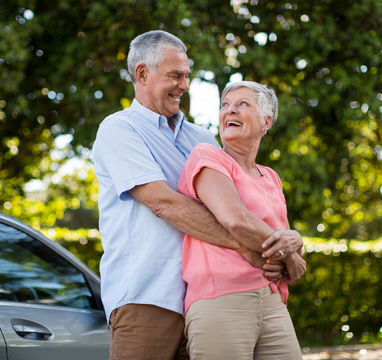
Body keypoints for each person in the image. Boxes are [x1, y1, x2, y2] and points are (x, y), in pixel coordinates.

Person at [92, 30, 302, 360]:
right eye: (175, 75)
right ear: (142, 74)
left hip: (203, 300)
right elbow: (164, 203)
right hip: (148, 297)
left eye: (187, 75)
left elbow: (239, 200)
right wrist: (248, 248)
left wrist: (289, 242)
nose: (185, 86)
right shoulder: (119, 129)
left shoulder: (202, 139)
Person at [178, 81, 306, 359]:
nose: (230, 111)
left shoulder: (271, 176)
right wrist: (290, 256)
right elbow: (235, 218)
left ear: (266, 121)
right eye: (225, 105)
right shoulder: (208, 155)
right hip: (221, 297)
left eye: (242, 104)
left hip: (272, 298)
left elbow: (279, 236)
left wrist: (296, 240)